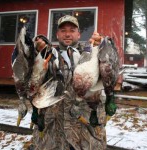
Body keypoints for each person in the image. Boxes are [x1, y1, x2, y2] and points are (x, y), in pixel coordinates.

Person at [32, 15, 116, 150]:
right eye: (63, 30)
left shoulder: (91, 53)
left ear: (78, 34)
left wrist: (103, 45)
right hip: (53, 130)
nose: (67, 34)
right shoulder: (47, 55)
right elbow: (30, 72)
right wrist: (36, 47)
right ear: (57, 34)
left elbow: (110, 65)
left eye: (72, 30)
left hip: (85, 128)